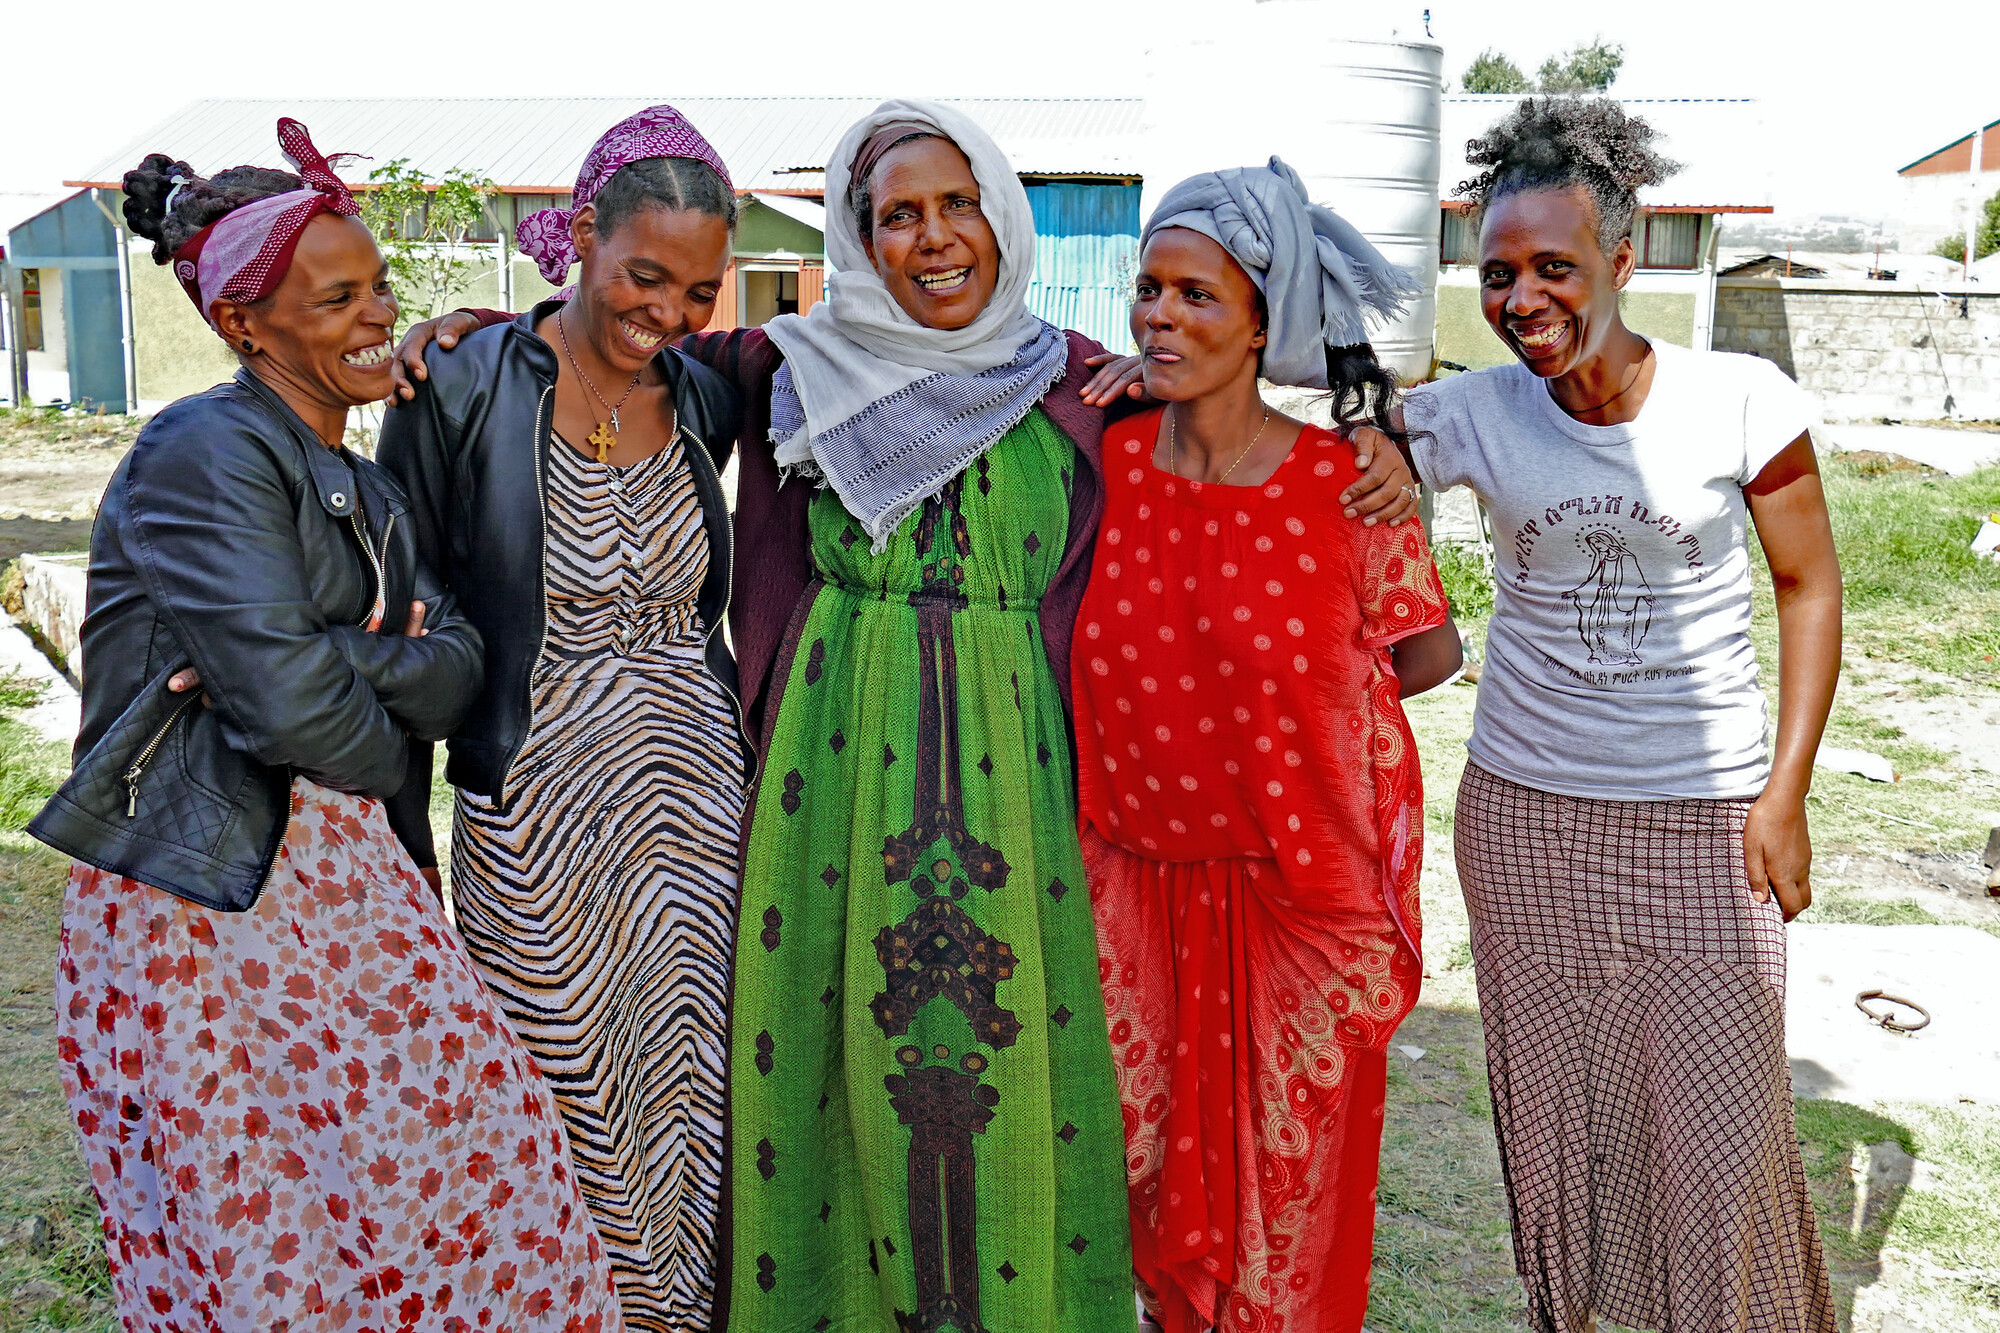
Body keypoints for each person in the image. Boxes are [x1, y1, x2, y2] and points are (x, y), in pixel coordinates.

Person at [390, 100, 1422, 1333]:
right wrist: (478, 330)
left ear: (998, 211)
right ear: (856, 236)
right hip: (826, 768)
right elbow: (620, 340)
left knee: (1015, 1066)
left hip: (1020, 784)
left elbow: (1241, 438)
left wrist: (1380, 440)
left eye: (954, 205)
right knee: (831, 1063)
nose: (931, 239)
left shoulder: (1081, 384)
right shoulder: (792, 364)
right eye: (895, 217)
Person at [29, 120, 623, 1332]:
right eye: (337, 295)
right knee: (274, 1235)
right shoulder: (203, 452)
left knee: (474, 1169)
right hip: (208, 900)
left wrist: (336, 660)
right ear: (247, 324)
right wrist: (352, 677)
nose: (376, 318)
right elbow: (300, 716)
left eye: (379, 288)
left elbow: (453, 670)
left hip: (345, 885)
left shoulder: (364, 479)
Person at [1401, 98, 1841, 1333]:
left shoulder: (1739, 401)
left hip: (1704, 822)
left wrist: (1784, 794)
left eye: (1552, 267)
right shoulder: (1474, 413)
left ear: (1617, 261)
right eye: (1496, 274)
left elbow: (1808, 590)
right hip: (1523, 823)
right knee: (1559, 1120)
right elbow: (1309, 464)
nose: (1521, 297)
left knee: (1718, 1132)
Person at [1073, 159, 1462, 1333]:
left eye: (1198, 295)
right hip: (1132, 891)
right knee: (1140, 1187)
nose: (1160, 315)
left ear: (1262, 322)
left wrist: (1294, 716)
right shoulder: (1103, 457)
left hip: (1297, 901)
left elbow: (1426, 654)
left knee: (1286, 1217)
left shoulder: (1344, 484)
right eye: (1148, 289)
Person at [375, 105, 747, 1332]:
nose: (670, 315)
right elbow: (404, 601)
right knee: (556, 1085)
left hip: (698, 805)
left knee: (694, 1087)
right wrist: (403, 844)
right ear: (580, 237)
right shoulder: (461, 383)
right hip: (533, 800)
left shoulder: (703, 392)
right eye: (644, 276)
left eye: (699, 290)